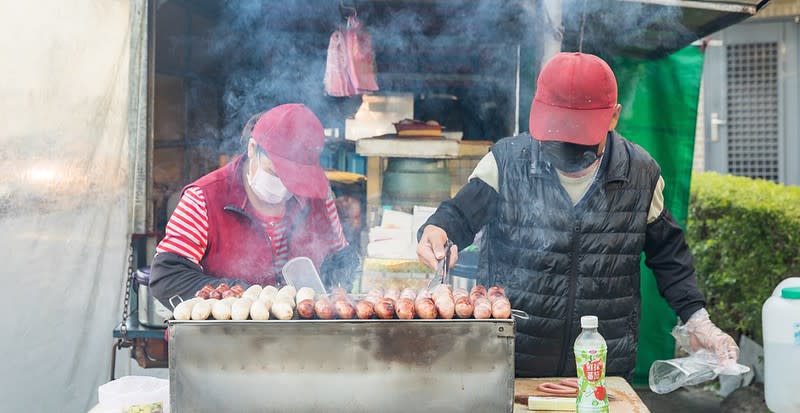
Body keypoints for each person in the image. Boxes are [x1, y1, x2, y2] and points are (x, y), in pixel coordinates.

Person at [416, 53, 738, 378]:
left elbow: (670, 258)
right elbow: (457, 217)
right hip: (508, 363)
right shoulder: (506, 162)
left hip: (601, 367)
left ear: (613, 117)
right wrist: (437, 229)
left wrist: (698, 320)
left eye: (579, 133)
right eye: (557, 132)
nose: (566, 144)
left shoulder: (641, 174)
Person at [150, 103, 360, 305]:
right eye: (278, 173)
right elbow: (168, 278)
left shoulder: (319, 195)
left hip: (302, 335)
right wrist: (240, 294)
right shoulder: (203, 199)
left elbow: (339, 259)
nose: (286, 187)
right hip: (228, 337)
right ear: (252, 149)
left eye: (296, 179)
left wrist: (333, 286)